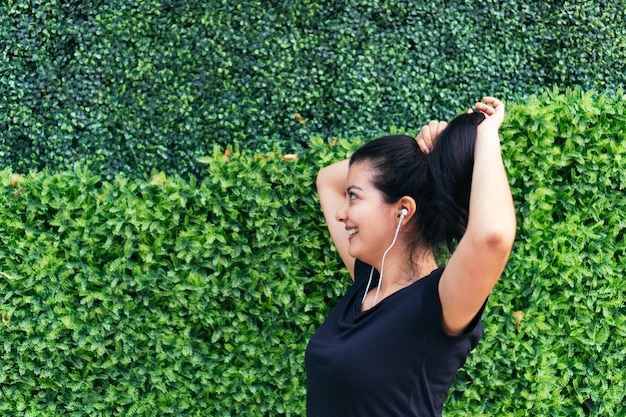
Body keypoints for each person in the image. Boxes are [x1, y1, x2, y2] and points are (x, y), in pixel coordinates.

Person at [305, 97, 516, 417]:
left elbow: (492, 236)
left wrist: (486, 136)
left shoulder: (436, 304)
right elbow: (327, 180)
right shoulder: (366, 282)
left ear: (403, 209)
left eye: (354, 197)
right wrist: (419, 155)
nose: (341, 214)